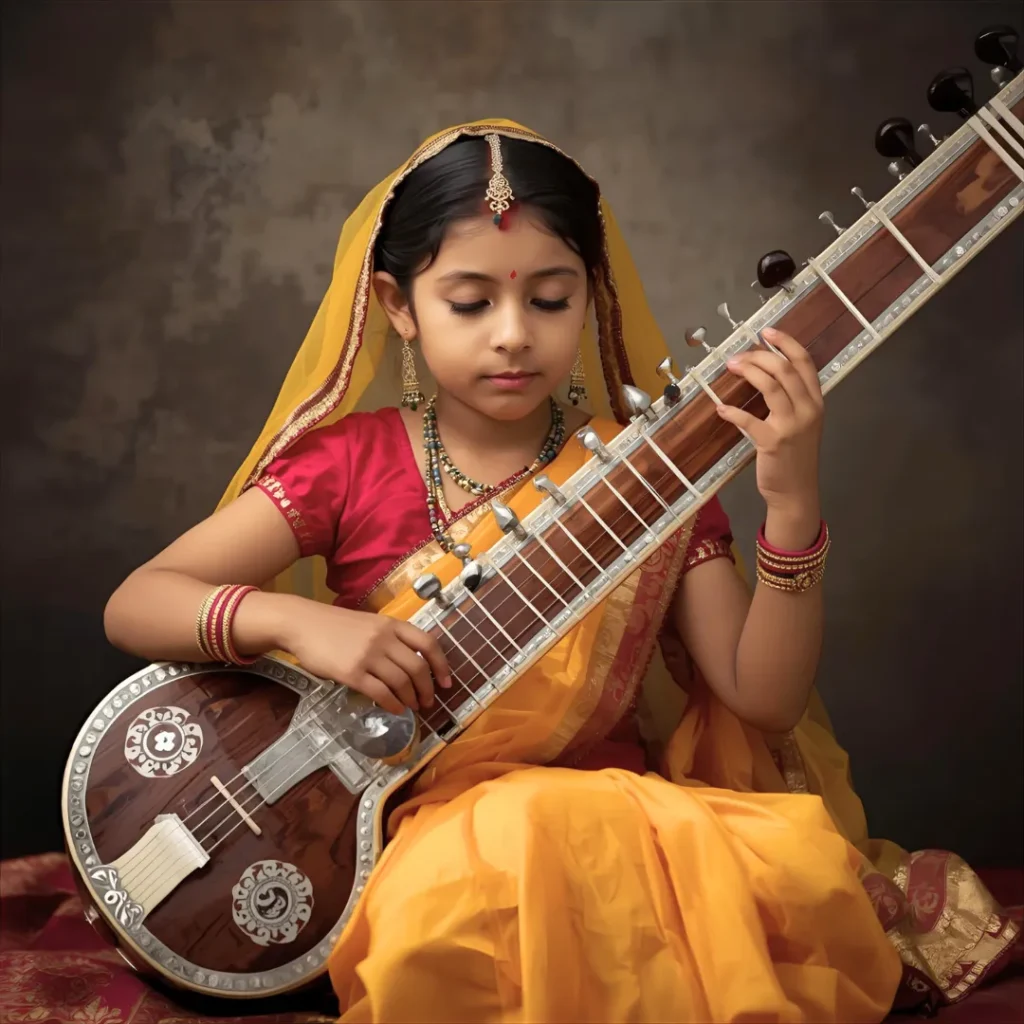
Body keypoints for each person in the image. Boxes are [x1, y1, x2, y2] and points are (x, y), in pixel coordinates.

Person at [103, 121, 1017, 1023]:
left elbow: (763, 699)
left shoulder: (650, 474)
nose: (513, 335)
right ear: (395, 305)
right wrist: (303, 625)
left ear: (592, 298)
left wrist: (791, 504)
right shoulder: (350, 463)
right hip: (428, 841)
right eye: (470, 302)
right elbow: (139, 603)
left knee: (754, 879)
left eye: (550, 298)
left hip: (619, 829)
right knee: (461, 900)